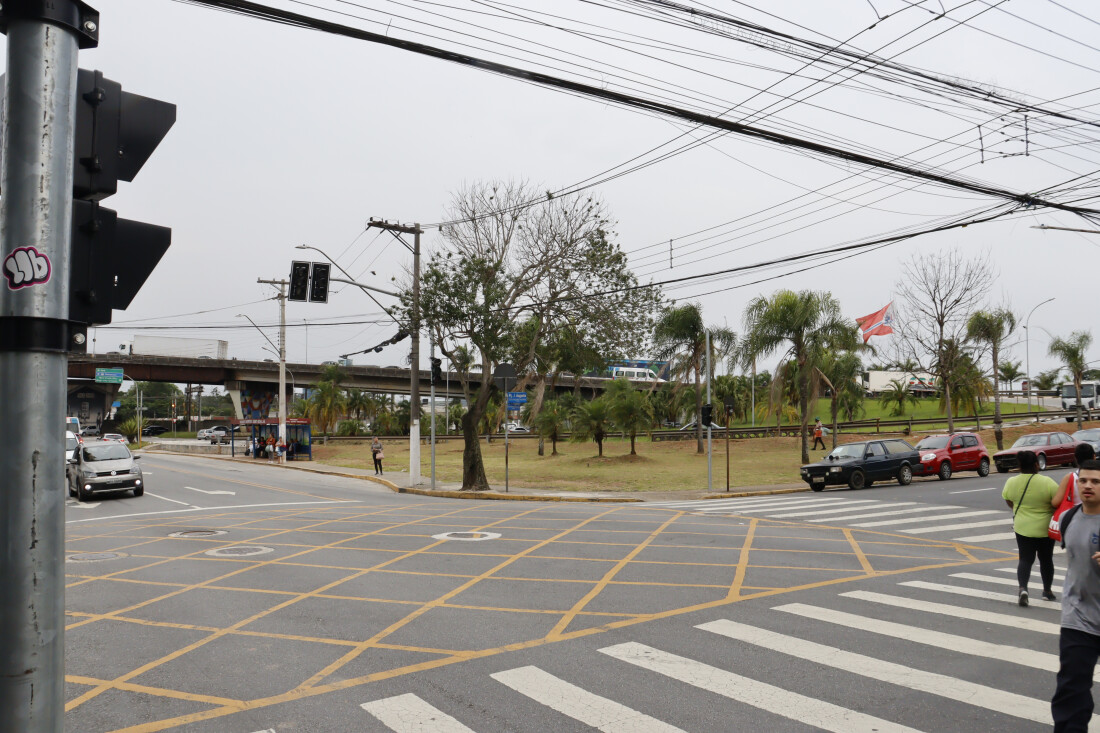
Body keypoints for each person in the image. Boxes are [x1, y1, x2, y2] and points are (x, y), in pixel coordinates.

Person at [1051, 459, 1100, 732]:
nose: (1088, 486)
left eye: (1096, 481)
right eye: (1083, 480)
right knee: (1071, 690)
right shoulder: (1068, 517)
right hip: (1077, 617)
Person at [1002, 450, 1060, 606]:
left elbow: (1008, 500)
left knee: (1025, 559)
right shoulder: (1047, 482)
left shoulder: (1011, 482)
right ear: (1036, 464)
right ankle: (1047, 591)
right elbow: (1057, 502)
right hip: (1044, 529)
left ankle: (1023, 589)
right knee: (1046, 559)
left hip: (1022, 527)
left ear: (1019, 465)